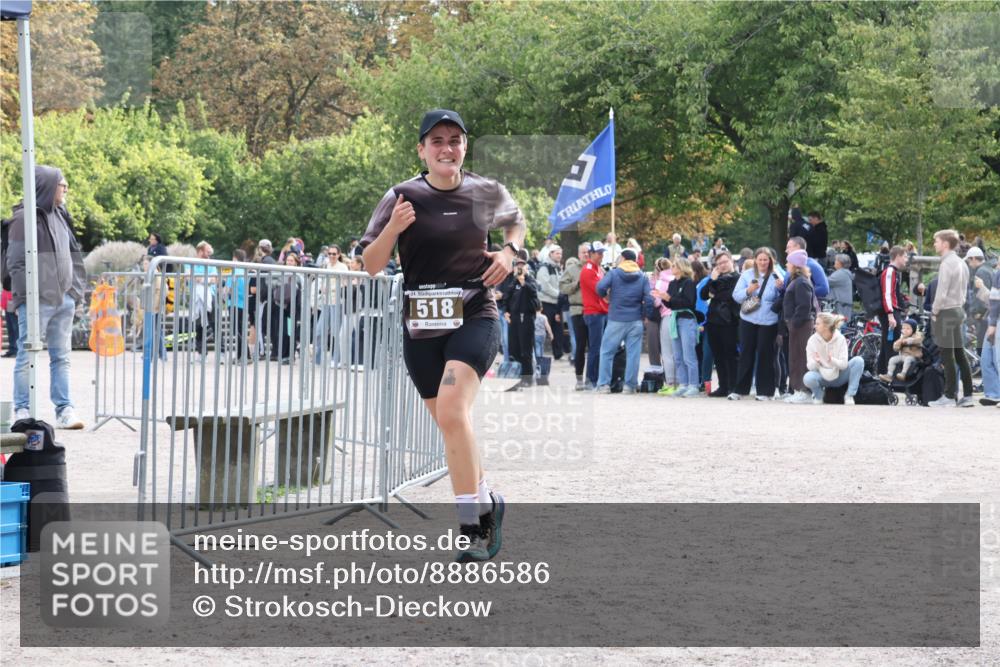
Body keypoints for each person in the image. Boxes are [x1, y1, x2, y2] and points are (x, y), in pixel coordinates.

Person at [360, 109, 525, 562]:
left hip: (475, 314)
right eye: (437, 141)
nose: (446, 148)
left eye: (455, 140)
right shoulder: (401, 195)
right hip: (422, 327)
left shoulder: (486, 191)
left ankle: (473, 526)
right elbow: (371, 266)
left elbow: (517, 222)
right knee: (452, 426)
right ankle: (489, 498)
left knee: (454, 408)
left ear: (465, 147)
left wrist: (511, 252)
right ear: (421, 150)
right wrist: (394, 228)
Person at [3, 166, 86, 427]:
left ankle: (64, 410)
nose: (66, 189)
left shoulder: (61, 216)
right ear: (48, 186)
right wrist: (26, 297)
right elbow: (15, 263)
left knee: (61, 357)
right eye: (63, 184)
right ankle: (22, 409)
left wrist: (75, 290)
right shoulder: (22, 219)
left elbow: (75, 254)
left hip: (64, 298)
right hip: (36, 300)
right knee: (27, 355)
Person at [594, 248, 653, 394]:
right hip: (635, 320)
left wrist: (605, 296)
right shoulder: (643, 276)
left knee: (607, 352)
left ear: (623, 258)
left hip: (616, 318)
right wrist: (646, 315)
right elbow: (649, 299)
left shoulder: (614, 273)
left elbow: (600, 287)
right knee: (633, 354)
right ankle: (630, 386)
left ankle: (604, 385)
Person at [729, 248, 784, 401]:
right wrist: (749, 290)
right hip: (748, 319)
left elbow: (782, 298)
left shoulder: (777, 275)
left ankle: (765, 391)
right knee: (746, 353)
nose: (762, 262)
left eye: (765, 260)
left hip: (768, 321)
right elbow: (736, 296)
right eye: (760, 259)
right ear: (755, 260)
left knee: (766, 355)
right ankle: (739, 390)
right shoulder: (746, 275)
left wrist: (781, 288)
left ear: (770, 261)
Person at [928, 230, 974, 408]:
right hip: (958, 310)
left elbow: (941, 292)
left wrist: (934, 311)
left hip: (946, 311)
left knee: (947, 355)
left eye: (936, 241)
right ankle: (968, 395)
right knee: (960, 353)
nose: (935, 244)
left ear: (945, 244)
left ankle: (949, 395)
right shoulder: (962, 263)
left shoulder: (947, 264)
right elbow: (964, 291)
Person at [655, 257, 699, 397]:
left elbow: (688, 302)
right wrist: (663, 298)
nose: (671, 267)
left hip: (686, 319)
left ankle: (693, 385)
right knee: (678, 356)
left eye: (674, 265)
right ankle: (683, 384)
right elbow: (670, 304)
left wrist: (669, 299)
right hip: (675, 318)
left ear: (681, 267)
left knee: (689, 355)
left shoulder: (689, 283)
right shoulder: (673, 283)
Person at [700, 251, 740, 397]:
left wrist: (715, 293)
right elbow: (703, 295)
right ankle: (723, 386)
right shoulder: (716, 278)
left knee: (731, 354)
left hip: (729, 321)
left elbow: (729, 296)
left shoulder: (738, 278)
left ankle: (733, 386)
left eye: (724, 262)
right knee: (718, 355)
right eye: (719, 264)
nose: (722, 266)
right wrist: (712, 280)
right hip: (713, 320)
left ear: (731, 261)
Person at [803, 313, 865, 405]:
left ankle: (849, 395)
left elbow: (844, 365)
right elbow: (809, 366)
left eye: (817, 323)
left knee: (859, 361)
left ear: (826, 326)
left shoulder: (840, 339)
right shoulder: (812, 340)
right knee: (807, 378)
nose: (814, 326)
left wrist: (832, 360)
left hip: (839, 375)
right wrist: (816, 362)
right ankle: (819, 396)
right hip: (822, 376)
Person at [782, 250, 817, 404]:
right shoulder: (798, 280)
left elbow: (804, 306)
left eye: (788, 262)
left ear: (795, 265)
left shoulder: (801, 282)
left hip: (801, 325)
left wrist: (794, 323)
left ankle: (804, 390)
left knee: (801, 358)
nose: (786, 264)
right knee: (795, 357)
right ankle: (798, 389)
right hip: (798, 325)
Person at [503, 256, 539, 388]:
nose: (520, 268)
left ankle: (528, 378)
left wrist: (523, 281)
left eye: (522, 266)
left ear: (526, 267)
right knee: (514, 349)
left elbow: (534, 293)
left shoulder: (530, 280)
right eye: (517, 266)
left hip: (526, 317)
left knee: (526, 350)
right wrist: (506, 311)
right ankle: (517, 376)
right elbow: (507, 297)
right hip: (514, 318)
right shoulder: (513, 282)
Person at [579, 241, 609, 390]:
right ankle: (591, 380)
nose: (601, 256)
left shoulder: (598, 269)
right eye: (599, 253)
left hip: (601, 311)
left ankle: (595, 378)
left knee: (599, 347)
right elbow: (601, 289)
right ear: (591, 254)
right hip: (594, 312)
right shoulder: (589, 270)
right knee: (595, 348)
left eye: (602, 253)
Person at [876, 246, 909, 374]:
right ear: (898, 256)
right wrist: (890, 315)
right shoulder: (890, 271)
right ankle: (891, 376)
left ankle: (882, 373)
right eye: (905, 256)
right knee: (892, 345)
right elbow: (887, 294)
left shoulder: (893, 271)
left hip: (890, 312)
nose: (906, 259)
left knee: (887, 344)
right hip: (890, 313)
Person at [560, 244, 588, 390]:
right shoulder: (571, 270)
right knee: (580, 345)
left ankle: (592, 378)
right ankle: (579, 379)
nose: (586, 254)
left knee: (596, 347)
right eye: (583, 252)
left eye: (588, 252)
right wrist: (576, 284)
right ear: (578, 254)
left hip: (594, 311)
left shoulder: (596, 268)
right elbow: (563, 288)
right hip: (577, 309)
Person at [651, 258, 678, 395]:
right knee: (677, 352)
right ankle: (680, 383)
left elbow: (656, 303)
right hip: (678, 316)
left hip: (667, 316)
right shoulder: (675, 278)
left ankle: (670, 384)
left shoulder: (660, 281)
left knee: (667, 353)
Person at [536, 244, 565, 360]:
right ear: (550, 254)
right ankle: (539, 354)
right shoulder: (545, 267)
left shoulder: (557, 267)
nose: (559, 256)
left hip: (556, 302)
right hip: (546, 302)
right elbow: (544, 286)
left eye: (561, 253)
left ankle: (558, 353)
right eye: (557, 253)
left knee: (558, 329)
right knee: (544, 329)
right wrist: (558, 294)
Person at [979, 262, 1000, 407]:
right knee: (986, 358)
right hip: (993, 319)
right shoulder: (996, 273)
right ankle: (993, 393)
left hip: (995, 320)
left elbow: (995, 300)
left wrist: (992, 324)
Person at [965, 246, 993, 355]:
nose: (969, 263)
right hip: (989, 314)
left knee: (982, 349)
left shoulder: (981, 272)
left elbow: (980, 295)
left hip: (984, 316)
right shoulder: (988, 269)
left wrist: (977, 313)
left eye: (969, 260)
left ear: (973, 258)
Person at [878, 318, 924, 382]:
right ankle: (889, 375)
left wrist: (908, 341)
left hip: (913, 356)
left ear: (913, 330)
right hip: (903, 356)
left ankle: (903, 374)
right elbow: (896, 349)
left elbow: (918, 341)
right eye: (903, 328)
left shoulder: (917, 336)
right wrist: (898, 344)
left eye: (908, 329)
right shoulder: (902, 338)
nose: (905, 330)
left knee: (908, 359)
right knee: (892, 359)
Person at [827, 254, 854, 318]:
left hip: (840, 306)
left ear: (840, 263)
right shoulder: (845, 273)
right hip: (844, 305)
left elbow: (825, 282)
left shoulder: (841, 274)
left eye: (836, 260)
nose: (834, 262)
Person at [2, 288, 17, 357]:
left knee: (15, 329)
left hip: (12, 303)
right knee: (10, 329)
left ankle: (16, 349)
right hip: (6, 305)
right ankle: (12, 349)